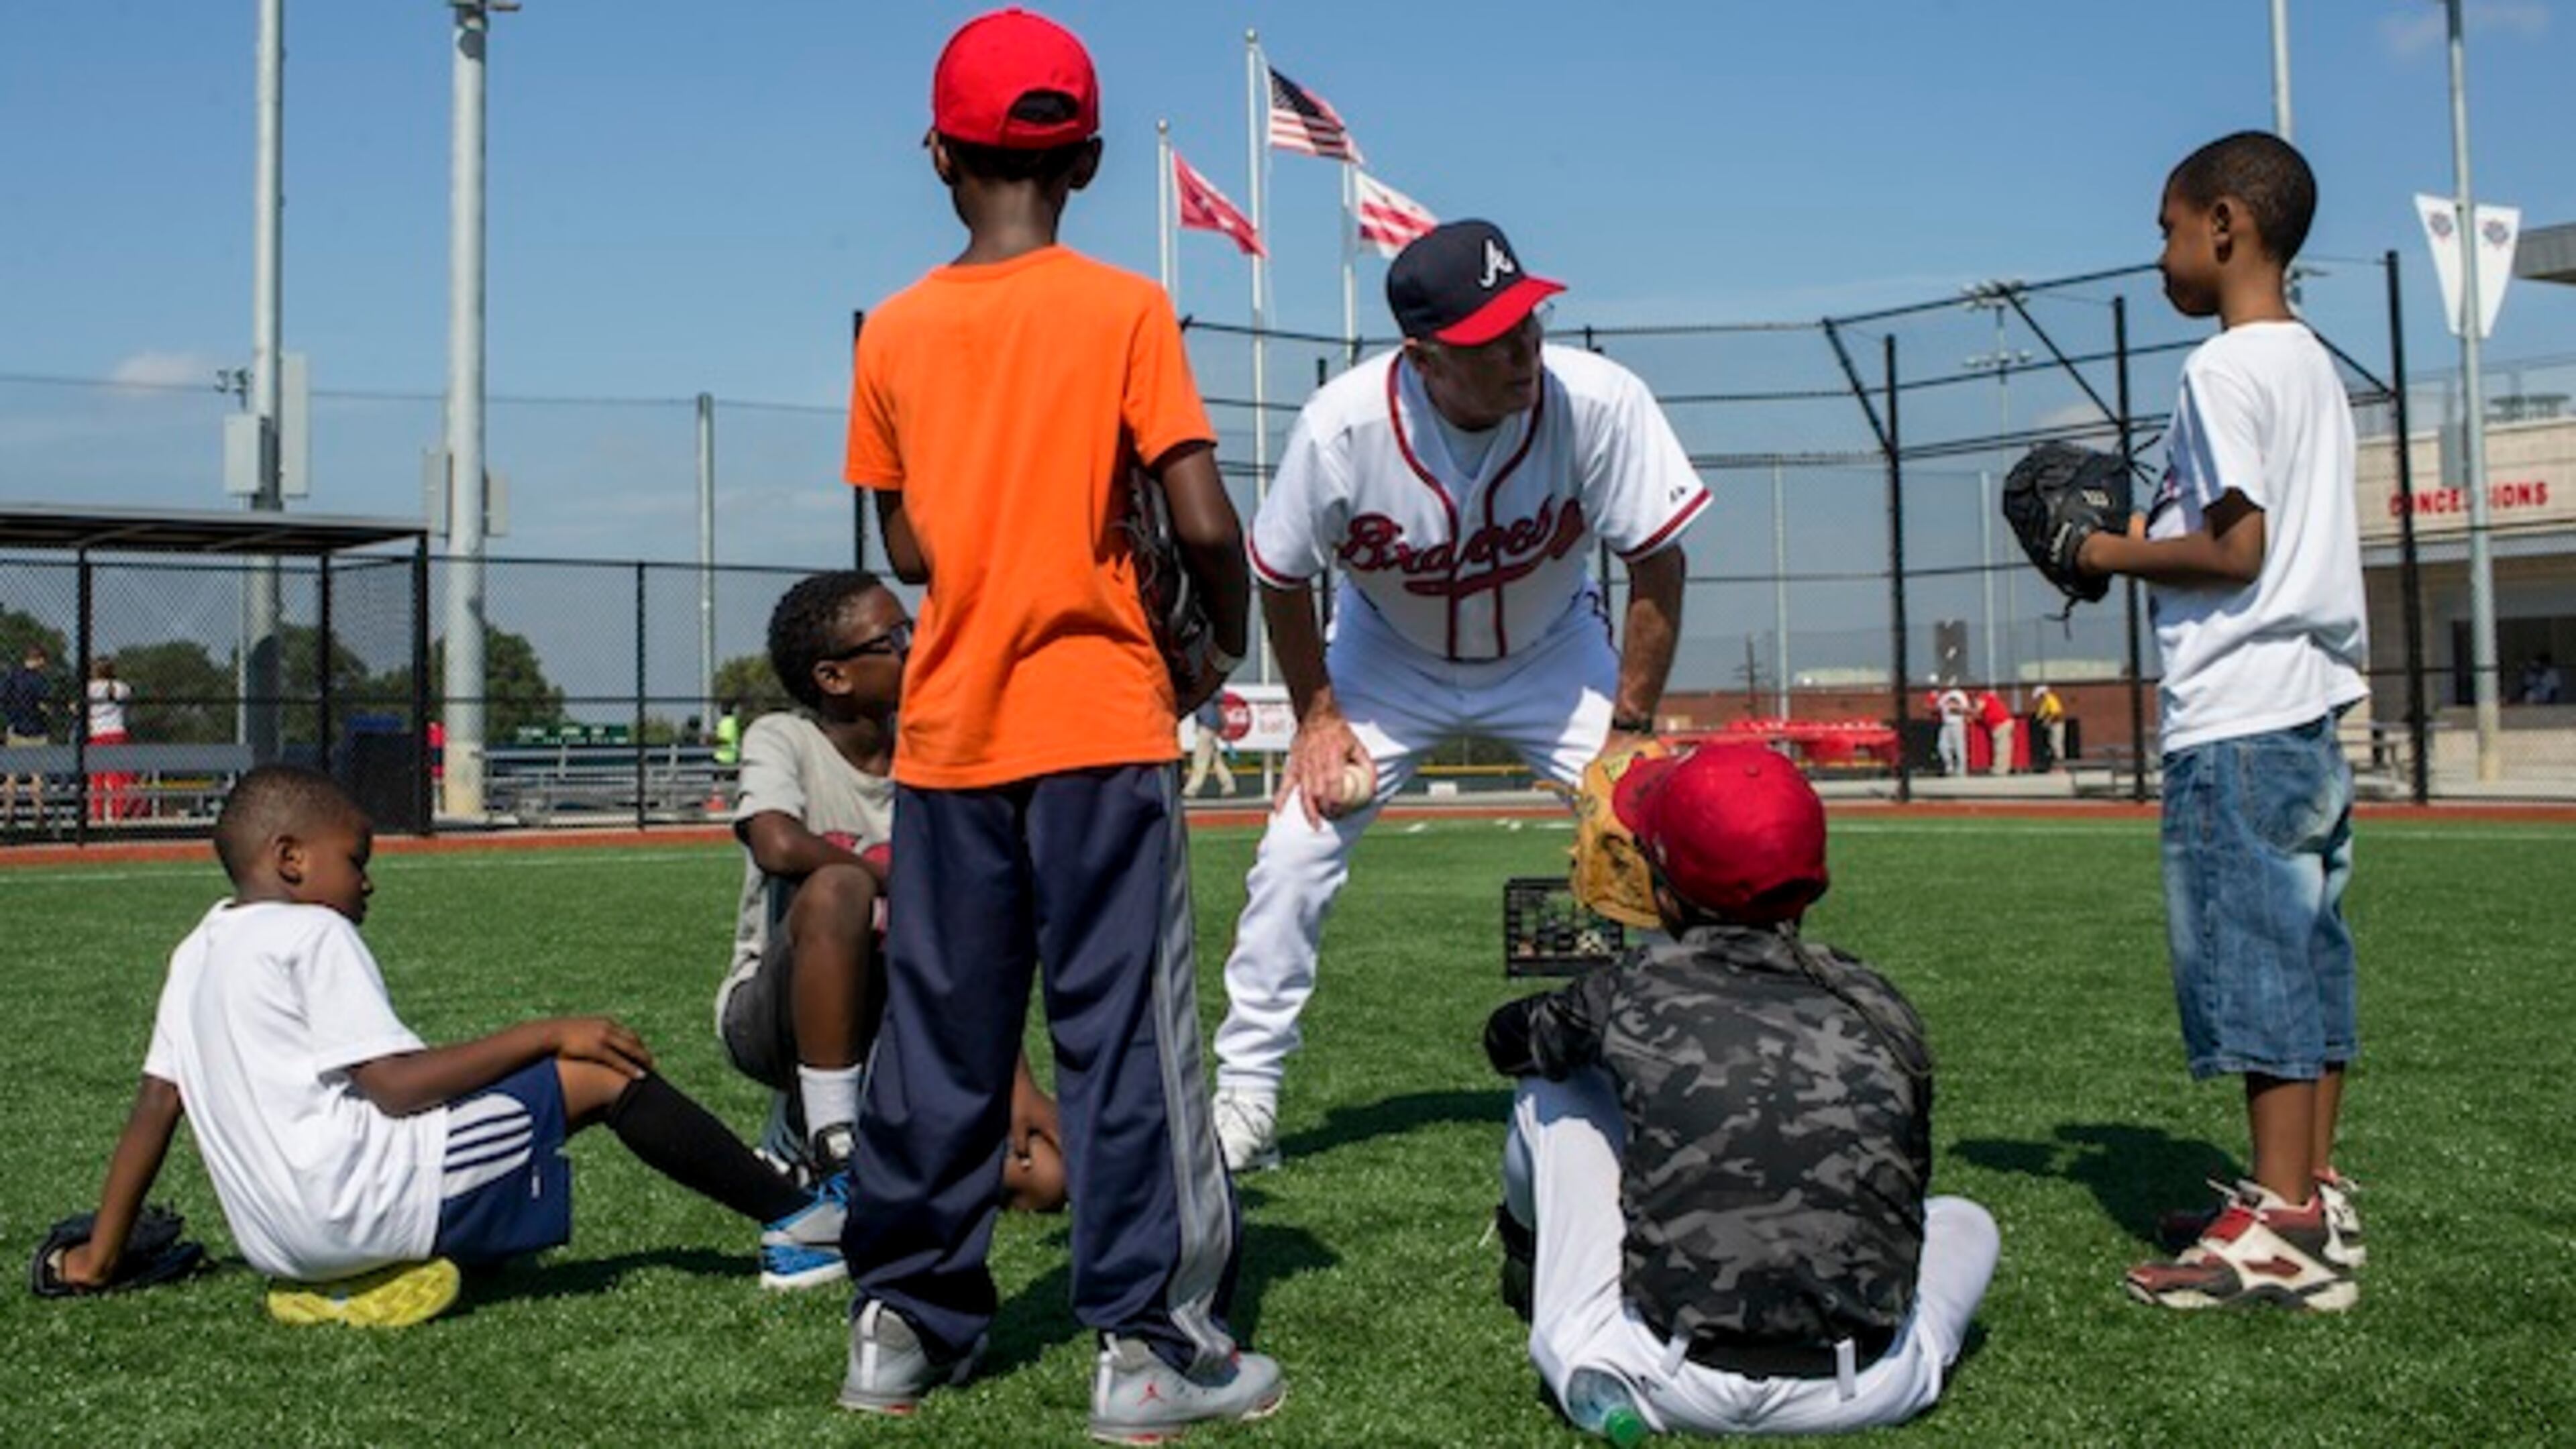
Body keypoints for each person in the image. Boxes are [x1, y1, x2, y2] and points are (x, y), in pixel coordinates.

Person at [837, 11, 1276, 1437]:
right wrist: (1220, 639)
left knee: (941, 1040)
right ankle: (1150, 1346)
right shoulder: (1127, 307)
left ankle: (902, 1324)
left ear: (938, 157)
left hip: (950, 737)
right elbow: (1205, 517)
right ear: (1087, 159)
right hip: (1099, 725)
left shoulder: (894, 329)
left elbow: (908, 550)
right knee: (1125, 1043)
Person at [1212, 217, 1707, 1173]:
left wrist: (1629, 727)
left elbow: (1658, 559)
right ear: (1423, 359)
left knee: (1657, 836)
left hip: (1554, 655)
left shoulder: (1596, 401)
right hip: (1382, 663)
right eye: (1492, 341)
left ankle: (1694, 1070)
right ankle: (1247, 1096)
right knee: (1293, 850)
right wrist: (1320, 715)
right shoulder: (1344, 424)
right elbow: (1279, 571)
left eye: (1529, 322)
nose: (1524, 352)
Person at [47, 765, 847, 1327]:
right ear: (290, 859)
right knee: (600, 1074)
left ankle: (379, 1274)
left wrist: (98, 1259)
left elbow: (158, 1105)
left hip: (277, 1248)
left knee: (484, 1114)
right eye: (355, 860)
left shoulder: (198, 949)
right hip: (355, 1211)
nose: (367, 881)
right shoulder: (311, 931)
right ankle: (800, 1225)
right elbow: (397, 1086)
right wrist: (548, 1030)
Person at [1485, 743, 1997, 1436]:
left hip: (1665, 1377)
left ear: (1663, 886)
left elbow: (1505, 1041)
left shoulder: (1628, 992)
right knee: (1968, 1219)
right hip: (1868, 1387)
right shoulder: (1881, 999)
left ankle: (1531, 1271)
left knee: (1550, 1088)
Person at [2077, 131, 2367, 1310]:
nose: (2161, 248)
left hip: (2240, 709)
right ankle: (2308, 1191)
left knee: (2255, 969)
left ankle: (2282, 1229)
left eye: (2168, 225)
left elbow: (2234, 549)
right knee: (2308, 957)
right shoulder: (2311, 361)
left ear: (2227, 227)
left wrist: (2107, 551)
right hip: (2308, 708)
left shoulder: (2224, 369)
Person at [721, 570, 1067, 1231]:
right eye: (896, 638)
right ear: (834, 677)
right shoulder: (783, 738)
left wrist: (1016, 1082)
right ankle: (828, 1139)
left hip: (902, 1017)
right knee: (839, 887)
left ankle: (864, 1139)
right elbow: (776, 843)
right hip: (771, 1014)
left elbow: (972, 940)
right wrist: (905, 883)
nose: (918, 647)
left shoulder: (930, 751)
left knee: (1042, 1177)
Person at [3, 643, 55, 825]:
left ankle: (9, 815)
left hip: (16, 729)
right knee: (37, 776)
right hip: (37, 732)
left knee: (12, 776)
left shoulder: (12, 676)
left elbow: (4, 698)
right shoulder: (40, 680)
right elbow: (46, 705)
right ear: (39, 660)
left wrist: (11, 718)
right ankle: (39, 815)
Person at [87, 655, 138, 822]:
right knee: (116, 776)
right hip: (117, 732)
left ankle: (98, 815)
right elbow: (131, 694)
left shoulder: (90, 688)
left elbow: (76, 707)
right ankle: (118, 814)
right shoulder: (120, 687)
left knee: (97, 777)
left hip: (98, 734)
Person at [1185, 694, 1237, 798]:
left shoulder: (1205, 688)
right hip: (1210, 724)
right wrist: (1223, 725)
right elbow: (1219, 706)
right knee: (1216, 759)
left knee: (1200, 758)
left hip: (1207, 725)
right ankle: (1229, 785)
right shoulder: (1211, 689)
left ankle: (1191, 790)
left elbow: (1218, 706)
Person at [1930, 685, 1969, 777]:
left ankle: (1962, 769)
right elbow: (1938, 708)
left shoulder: (1960, 694)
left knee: (1959, 747)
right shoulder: (1944, 696)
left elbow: (1965, 709)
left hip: (1957, 723)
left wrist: (1954, 708)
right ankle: (1949, 766)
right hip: (1946, 724)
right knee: (1942, 746)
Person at [1975, 686, 2011, 775]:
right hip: (2003, 723)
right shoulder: (1991, 698)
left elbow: (1979, 709)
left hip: (2000, 724)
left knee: (2001, 748)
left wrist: (1972, 713)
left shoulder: (1984, 697)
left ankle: (2000, 770)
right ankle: (2002, 769)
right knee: (2004, 747)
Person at [2032, 682, 2067, 769]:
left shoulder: (2050, 699)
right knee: (2052, 744)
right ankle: (2056, 764)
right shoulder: (2045, 701)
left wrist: (2047, 721)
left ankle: (2060, 765)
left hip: (2056, 724)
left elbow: (2056, 713)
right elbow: (2041, 714)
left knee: (2056, 744)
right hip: (2052, 725)